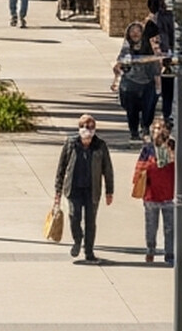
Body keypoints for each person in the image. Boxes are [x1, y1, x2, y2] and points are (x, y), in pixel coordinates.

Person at [53, 112, 114, 263]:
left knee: (90, 221)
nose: (87, 129)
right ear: (79, 128)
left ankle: (89, 252)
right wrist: (58, 191)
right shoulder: (71, 143)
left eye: (90, 126)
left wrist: (109, 191)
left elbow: (107, 169)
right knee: (74, 217)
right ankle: (77, 240)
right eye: (83, 126)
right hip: (74, 189)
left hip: (92, 190)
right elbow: (61, 167)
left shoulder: (100, 145)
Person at [133, 120, 177, 264]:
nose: (159, 131)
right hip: (151, 195)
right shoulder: (148, 149)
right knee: (151, 226)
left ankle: (169, 253)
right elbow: (139, 168)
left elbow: (179, 166)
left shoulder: (173, 146)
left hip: (168, 194)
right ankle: (150, 250)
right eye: (157, 128)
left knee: (170, 228)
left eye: (162, 128)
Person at [113, 19, 160, 143]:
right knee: (131, 109)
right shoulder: (126, 48)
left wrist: (158, 85)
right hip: (130, 84)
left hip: (147, 83)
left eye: (138, 31)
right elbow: (119, 65)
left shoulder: (148, 47)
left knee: (148, 108)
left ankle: (145, 128)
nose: (135, 34)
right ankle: (133, 132)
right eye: (132, 31)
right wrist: (117, 75)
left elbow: (155, 67)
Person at [145, 0, 178, 125]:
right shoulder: (164, 16)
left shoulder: (155, 18)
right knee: (163, 88)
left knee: (157, 90)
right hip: (163, 56)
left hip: (160, 56)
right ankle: (165, 114)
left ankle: (154, 117)